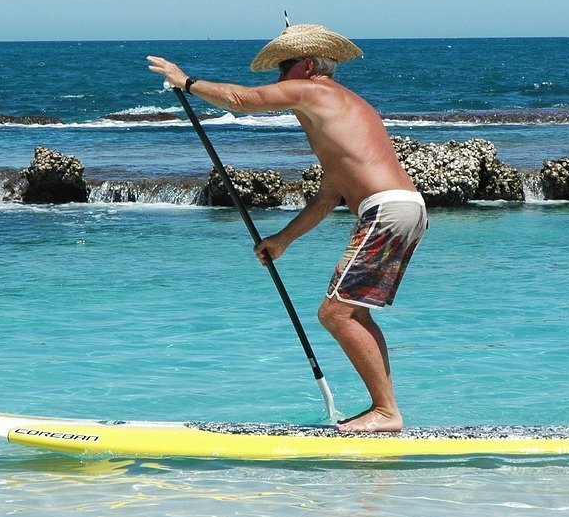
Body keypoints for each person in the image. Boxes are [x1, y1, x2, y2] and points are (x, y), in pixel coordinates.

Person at [147, 22, 426, 433]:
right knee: (350, 313)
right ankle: (385, 409)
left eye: (285, 68)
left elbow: (245, 99)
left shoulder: (316, 90)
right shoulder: (341, 110)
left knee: (337, 313)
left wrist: (185, 81)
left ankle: (386, 412)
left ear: (309, 66)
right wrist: (282, 240)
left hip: (386, 210)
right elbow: (329, 195)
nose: (279, 80)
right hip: (401, 208)